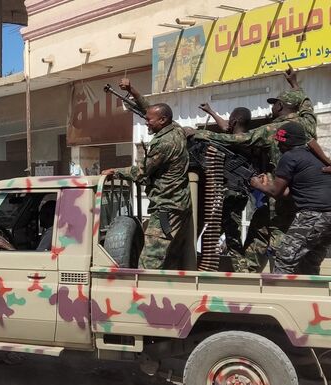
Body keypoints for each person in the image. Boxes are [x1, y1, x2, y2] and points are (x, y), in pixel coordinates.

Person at [187, 66, 317, 273]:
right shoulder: (308, 123)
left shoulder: (273, 129)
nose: (271, 110)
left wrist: (203, 135)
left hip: (279, 191)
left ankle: (275, 277)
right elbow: (306, 104)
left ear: (281, 106)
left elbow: (241, 138)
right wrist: (294, 83)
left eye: (274, 105)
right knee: (260, 228)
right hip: (302, 192)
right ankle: (250, 271)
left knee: (275, 234)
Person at [102, 78, 193, 270]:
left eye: (149, 120)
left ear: (162, 120)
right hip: (179, 205)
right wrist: (132, 90)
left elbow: (141, 172)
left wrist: (115, 172)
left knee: (149, 262)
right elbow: (149, 109)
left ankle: (143, 297)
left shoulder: (164, 143)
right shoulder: (175, 129)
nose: (146, 121)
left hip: (166, 207)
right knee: (171, 259)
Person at [250, 122, 331, 275]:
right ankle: (309, 296)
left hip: (313, 215)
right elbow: (288, 191)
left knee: (284, 258)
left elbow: (277, 192)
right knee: (309, 260)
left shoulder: (290, 157)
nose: (278, 146)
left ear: (287, 142)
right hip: (328, 217)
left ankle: (278, 296)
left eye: (280, 142)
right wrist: (268, 185)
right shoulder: (315, 157)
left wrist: (257, 184)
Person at [197, 104, 254, 270]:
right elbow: (225, 126)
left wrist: (195, 132)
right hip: (237, 193)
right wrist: (211, 111)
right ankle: (236, 269)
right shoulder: (246, 138)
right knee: (220, 234)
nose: (227, 123)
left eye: (231, 119)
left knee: (227, 235)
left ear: (235, 121)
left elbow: (217, 133)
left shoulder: (237, 140)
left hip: (231, 194)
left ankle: (242, 271)